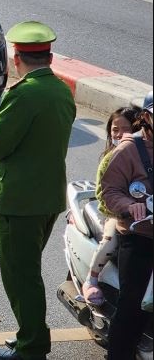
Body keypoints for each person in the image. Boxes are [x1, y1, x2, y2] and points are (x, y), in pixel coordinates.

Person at [0, 21, 76, 360]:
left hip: (18, 199)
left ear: (17, 57)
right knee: (27, 270)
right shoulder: (61, 90)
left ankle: (31, 345)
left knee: (21, 276)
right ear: (48, 57)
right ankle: (28, 336)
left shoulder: (23, 94)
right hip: (47, 196)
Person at [101, 91, 153, 360]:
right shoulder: (129, 149)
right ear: (146, 118)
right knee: (131, 307)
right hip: (140, 235)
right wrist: (128, 206)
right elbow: (109, 192)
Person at [82, 106, 140, 305]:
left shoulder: (144, 155)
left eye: (127, 129)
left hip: (145, 215)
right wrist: (124, 210)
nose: (120, 134)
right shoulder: (111, 158)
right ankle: (92, 279)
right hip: (115, 214)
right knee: (112, 238)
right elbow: (103, 193)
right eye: (116, 130)